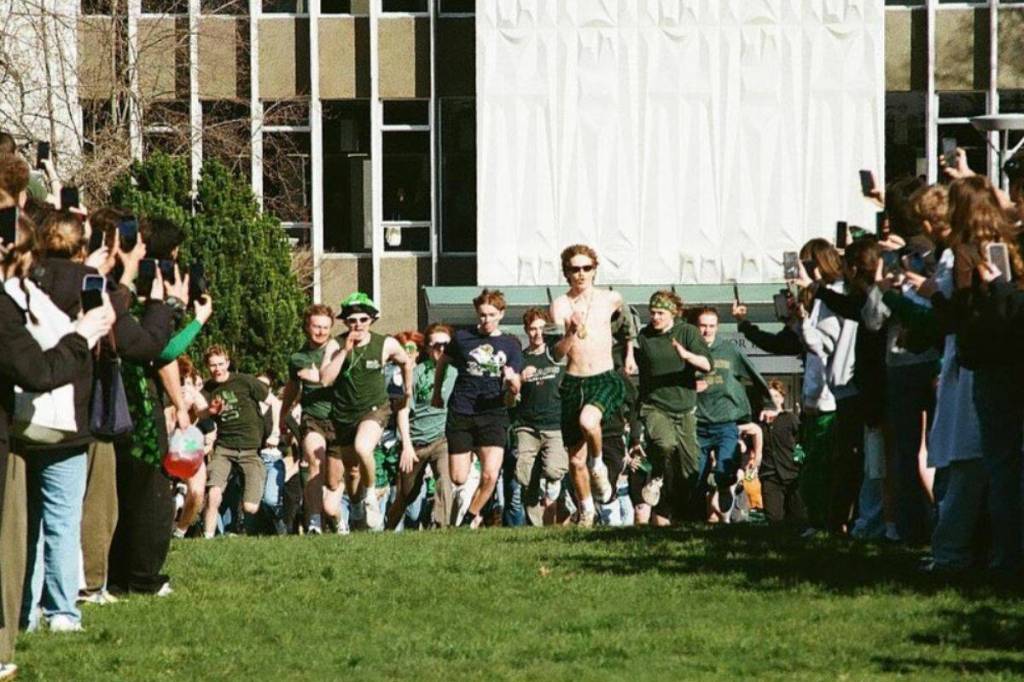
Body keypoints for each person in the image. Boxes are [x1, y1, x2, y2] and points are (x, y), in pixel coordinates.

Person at [0, 211, 114, 674]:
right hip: (66, 416)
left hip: (22, 420)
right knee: (63, 520)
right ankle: (63, 609)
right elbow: (107, 340)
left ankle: (24, 611)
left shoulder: (29, 286)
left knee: (23, 527)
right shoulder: (83, 281)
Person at [549, 245, 630, 526]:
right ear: (566, 273)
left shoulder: (611, 299)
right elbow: (556, 353)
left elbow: (629, 326)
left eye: (586, 268)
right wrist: (571, 331)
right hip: (574, 381)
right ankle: (586, 510)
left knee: (588, 421)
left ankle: (598, 465)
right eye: (575, 269)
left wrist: (630, 355)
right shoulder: (561, 305)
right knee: (574, 460)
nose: (581, 274)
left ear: (595, 270)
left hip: (604, 376)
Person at [319, 292, 415, 531]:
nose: (358, 325)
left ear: (371, 320)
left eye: (363, 319)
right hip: (343, 414)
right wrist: (345, 351)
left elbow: (406, 361)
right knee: (352, 472)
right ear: (345, 322)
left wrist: (408, 388)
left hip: (375, 409)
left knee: (363, 448)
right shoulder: (335, 344)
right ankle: (356, 506)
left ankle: (371, 494)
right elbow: (325, 379)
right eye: (352, 320)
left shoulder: (385, 343)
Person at [432, 289, 522, 529]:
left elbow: (516, 382)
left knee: (491, 474)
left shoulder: (510, 344)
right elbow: (443, 362)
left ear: (501, 314)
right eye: (482, 315)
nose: (486, 320)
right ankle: (472, 478)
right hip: (462, 410)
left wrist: (512, 383)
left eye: (492, 315)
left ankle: (469, 517)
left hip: (493, 412)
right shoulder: (462, 338)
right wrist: (436, 392)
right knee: (458, 477)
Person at [632, 291, 711, 526]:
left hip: (684, 409)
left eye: (660, 313)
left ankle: (679, 516)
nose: (655, 317)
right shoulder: (644, 336)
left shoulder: (687, 332)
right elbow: (629, 354)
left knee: (690, 470)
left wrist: (686, 355)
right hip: (655, 406)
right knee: (665, 443)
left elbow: (707, 365)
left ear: (672, 313)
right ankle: (656, 474)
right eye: (652, 313)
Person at [692, 306, 771, 521]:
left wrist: (768, 403)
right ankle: (699, 517)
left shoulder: (729, 350)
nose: (707, 331)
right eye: (703, 326)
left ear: (718, 327)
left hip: (726, 420)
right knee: (696, 476)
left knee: (724, 468)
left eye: (712, 326)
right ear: (695, 327)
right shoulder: (689, 351)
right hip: (698, 422)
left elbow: (753, 374)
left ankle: (726, 487)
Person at [386, 325, 456, 530]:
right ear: (427, 348)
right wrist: (406, 446)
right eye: (436, 345)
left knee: (444, 480)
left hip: (441, 439)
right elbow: (403, 411)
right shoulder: (415, 374)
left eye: (446, 345)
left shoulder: (455, 373)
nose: (441, 349)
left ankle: (441, 527)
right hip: (415, 442)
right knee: (407, 494)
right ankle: (388, 528)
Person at [199, 346, 273, 537]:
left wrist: (274, 432)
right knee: (213, 494)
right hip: (224, 448)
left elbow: (274, 401)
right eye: (213, 365)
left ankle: (265, 526)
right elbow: (198, 414)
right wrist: (210, 412)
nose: (217, 369)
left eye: (220, 364)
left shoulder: (245, 381)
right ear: (207, 366)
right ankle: (207, 538)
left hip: (250, 449)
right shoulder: (207, 390)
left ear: (228, 363)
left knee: (250, 507)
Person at [279, 304, 337, 534]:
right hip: (313, 417)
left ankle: (338, 516)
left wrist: (318, 376)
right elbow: (293, 387)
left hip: (339, 418)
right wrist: (283, 413)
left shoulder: (338, 351)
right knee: (314, 461)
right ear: (307, 326)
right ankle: (314, 521)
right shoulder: (298, 358)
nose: (321, 332)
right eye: (316, 326)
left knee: (333, 480)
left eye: (325, 327)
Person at [513, 308, 569, 527]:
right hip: (527, 425)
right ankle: (536, 527)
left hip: (555, 424)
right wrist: (518, 379)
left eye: (541, 329)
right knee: (525, 477)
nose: (537, 333)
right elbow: (509, 395)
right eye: (532, 329)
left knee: (554, 470)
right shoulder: (520, 358)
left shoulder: (557, 356)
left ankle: (558, 498)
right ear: (526, 330)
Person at [758, 381, 806, 525]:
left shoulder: (790, 419)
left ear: (782, 399)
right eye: (770, 396)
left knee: (798, 517)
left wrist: (799, 462)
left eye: (776, 396)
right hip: (770, 474)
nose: (773, 400)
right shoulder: (760, 422)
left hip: (791, 473)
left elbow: (800, 442)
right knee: (774, 518)